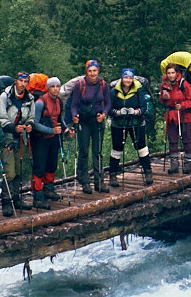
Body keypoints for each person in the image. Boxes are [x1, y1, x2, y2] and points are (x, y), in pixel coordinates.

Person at [68, 59, 112, 193]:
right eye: (90, 71)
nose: (92, 73)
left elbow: (108, 103)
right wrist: (74, 115)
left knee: (97, 151)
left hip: (97, 120)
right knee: (84, 151)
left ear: (98, 71)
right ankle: (85, 182)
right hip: (84, 121)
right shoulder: (80, 85)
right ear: (86, 71)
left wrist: (104, 114)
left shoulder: (103, 84)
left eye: (95, 71)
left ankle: (99, 182)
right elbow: (74, 104)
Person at [0, 72, 38, 211]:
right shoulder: (5, 97)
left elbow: (31, 116)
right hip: (7, 136)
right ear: (15, 81)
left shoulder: (29, 98)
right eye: (21, 81)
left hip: (22, 137)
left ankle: (16, 198)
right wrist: (14, 128)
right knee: (9, 171)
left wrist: (29, 124)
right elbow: (1, 117)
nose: (23, 84)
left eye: (25, 81)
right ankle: (6, 201)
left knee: (19, 169)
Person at [108, 67, 153, 183]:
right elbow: (108, 108)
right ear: (121, 78)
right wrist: (117, 112)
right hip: (118, 124)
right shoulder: (114, 91)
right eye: (125, 77)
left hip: (136, 123)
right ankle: (112, 175)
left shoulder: (139, 90)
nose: (128, 80)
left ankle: (148, 172)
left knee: (141, 147)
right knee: (117, 148)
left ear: (133, 79)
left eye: (130, 78)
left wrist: (136, 112)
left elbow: (144, 107)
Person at [30, 75, 65, 209]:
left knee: (51, 165)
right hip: (40, 139)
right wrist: (51, 130)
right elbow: (34, 124)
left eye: (57, 86)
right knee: (39, 167)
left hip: (53, 138)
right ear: (48, 88)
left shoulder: (59, 101)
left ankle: (49, 190)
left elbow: (59, 120)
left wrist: (67, 129)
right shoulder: (40, 103)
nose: (55, 89)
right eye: (52, 87)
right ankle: (38, 197)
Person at [159, 61, 191, 175]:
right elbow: (162, 101)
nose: (171, 75)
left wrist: (182, 105)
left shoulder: (184, 84)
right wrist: (164, 98)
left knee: (186, 140)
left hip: (185, 116)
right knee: (172, 140)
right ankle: (174, 165)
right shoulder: (164, 85)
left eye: (172, 73)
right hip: (171, 116)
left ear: (177, 73)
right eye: (169, 73)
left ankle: (187, 164)